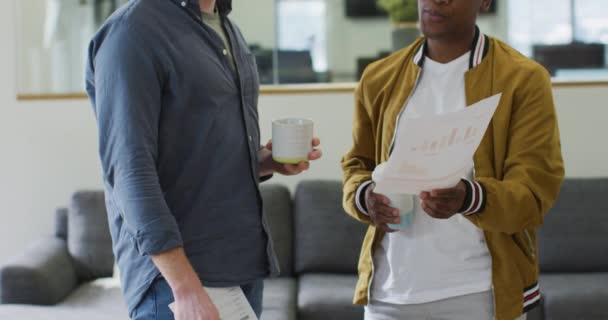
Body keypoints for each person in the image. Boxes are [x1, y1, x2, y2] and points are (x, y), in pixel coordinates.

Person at [85, 0, 321, 319]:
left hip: (244, 269)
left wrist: (264, 162)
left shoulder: (225, 27)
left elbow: (201, 149)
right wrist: (185, 287)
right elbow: (129, 172)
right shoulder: (131, 33)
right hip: (177, 284)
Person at [341, 0, 564, 319]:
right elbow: (356, 166)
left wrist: (470, 198)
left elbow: (534, 193)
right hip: (390, 295)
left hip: (480, 293)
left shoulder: (522, 79)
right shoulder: (379, 78)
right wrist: (365, 198)